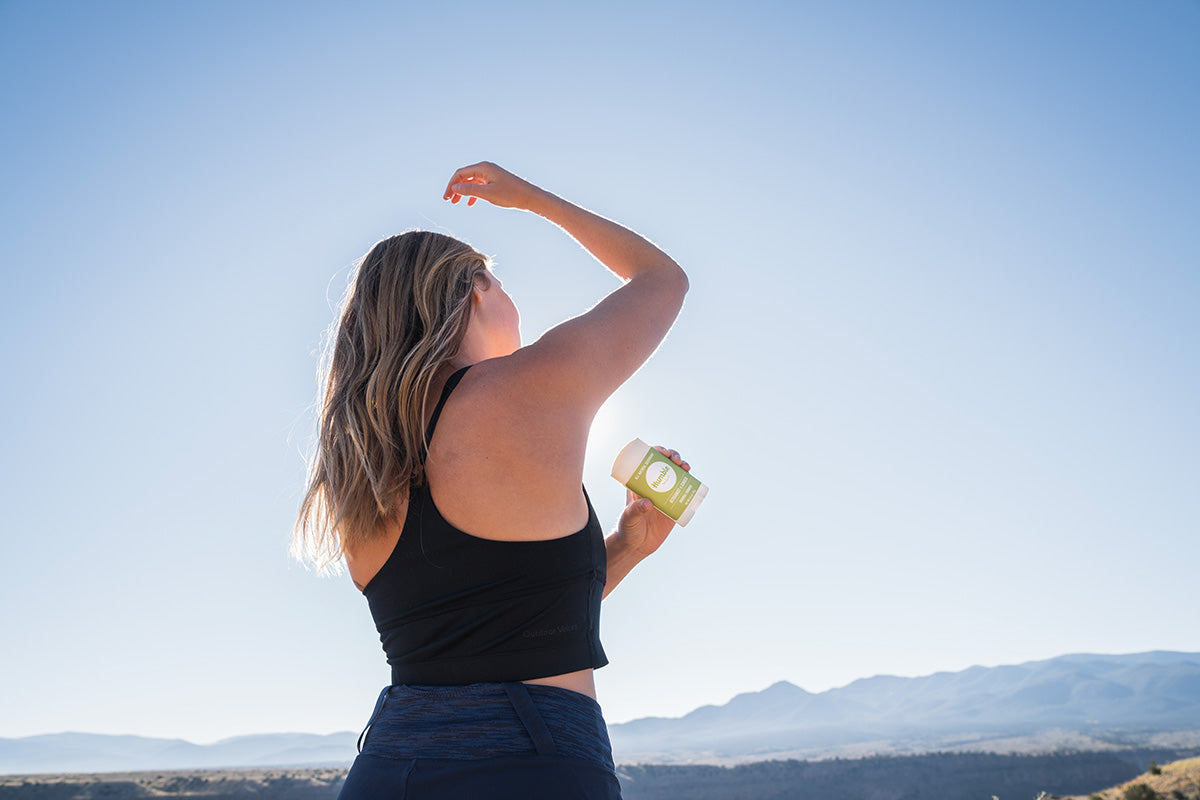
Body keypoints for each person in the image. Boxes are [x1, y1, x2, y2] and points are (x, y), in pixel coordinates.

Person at [293, 161, 690, 799]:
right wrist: (534, 200)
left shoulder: (360, 468)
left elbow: (497, 623)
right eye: (500, 283)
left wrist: (626, 548)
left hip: (390, 765)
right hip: (533, 761)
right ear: (476, 289)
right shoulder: (523, 388)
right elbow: (663, 280)